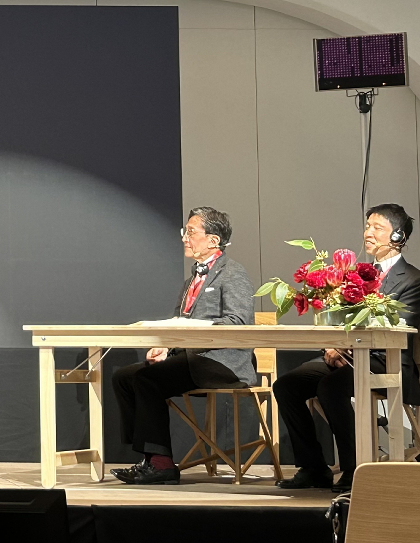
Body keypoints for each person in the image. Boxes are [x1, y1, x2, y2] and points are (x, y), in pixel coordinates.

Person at [273, 204, 420, 492]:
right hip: (347, 357)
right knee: (287, 385)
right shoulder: (353, 276)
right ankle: (313, 468)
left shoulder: (413, 280)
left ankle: (355, 470)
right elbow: (337, 319)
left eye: (377, 228)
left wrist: (347, 348)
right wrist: (333, 346)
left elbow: (397, 328)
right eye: (367, 226)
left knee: (331, 387)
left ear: (398, 236)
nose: (368, 233)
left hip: (386, 361)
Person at [110, 206, 256, 485]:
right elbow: (180, 326)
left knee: (147, 380)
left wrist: (193, 331)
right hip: (192, 360)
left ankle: (161, 465)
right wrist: (166, 348)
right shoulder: (191, 281)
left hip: (223, 363)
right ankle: (149, 456)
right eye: (184, 231)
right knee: (124, 377)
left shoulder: (233, 273)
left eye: (190, 232)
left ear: (213, 240)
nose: (184, 238)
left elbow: (238, 322)